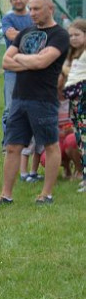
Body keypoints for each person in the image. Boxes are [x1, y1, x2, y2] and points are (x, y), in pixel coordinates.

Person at [0, 0, 70, 208]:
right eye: (31, 9)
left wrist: (23, 59)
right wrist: (31, 60)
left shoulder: (60, 35)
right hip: (19, 98)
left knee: (50, 145)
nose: (32, 13)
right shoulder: (25, 32)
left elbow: (42, 63)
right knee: (13, 147)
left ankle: (46, 194)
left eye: (36, 9)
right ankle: (5, 195)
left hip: (43, 99)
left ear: (50, 9)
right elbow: (6, 62)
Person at [1, 0, 33, 139]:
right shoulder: (7, 18)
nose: (18, 1)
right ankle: (8, 142)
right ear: (11, 1)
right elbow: (11, 35)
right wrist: (32, 35)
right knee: (10, 108)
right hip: (12, 70)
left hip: (33, 67)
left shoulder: (33, 16)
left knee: (34, 105)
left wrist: (19, 33)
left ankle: (30, 141)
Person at [60, 18, 86, 191]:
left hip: (83, 96)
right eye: (71, 35)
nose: (74, 38)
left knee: (84, 137)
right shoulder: (72, 55)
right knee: (79, 138)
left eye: (77, 34)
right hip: (73, 99)